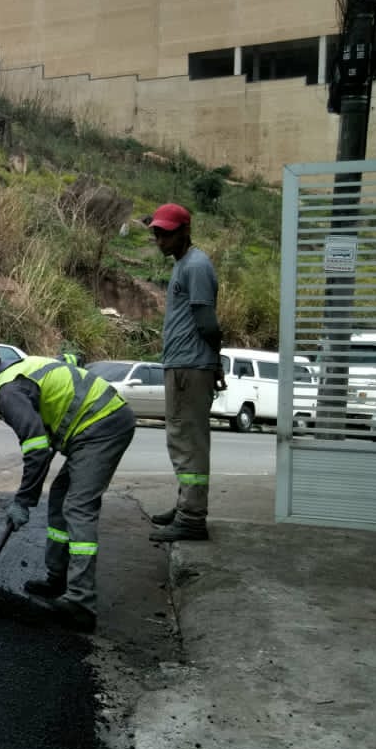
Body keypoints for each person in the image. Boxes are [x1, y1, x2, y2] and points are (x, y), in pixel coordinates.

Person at [0, 354, 137, 633]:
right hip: (94, 422)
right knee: (60, 496)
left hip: (103, 424)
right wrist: (28, 495)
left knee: (79, 507)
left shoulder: (7, 393)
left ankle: (81, 604)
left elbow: (36, 451)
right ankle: (58, 579)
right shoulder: (14, 379)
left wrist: (23, 501)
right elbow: (43, 440)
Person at [144, 203, 223, 543]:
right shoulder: (184, 265)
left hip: (189, 367)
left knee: (187, 442)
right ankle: (185, 507)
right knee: (183, 439)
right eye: (156, 233)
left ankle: (191, 518)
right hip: (185, 364)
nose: (159, 238)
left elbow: (207, 322)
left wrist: (213, 359)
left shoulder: (196, 266)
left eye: (166, 232)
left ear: (185, 231)